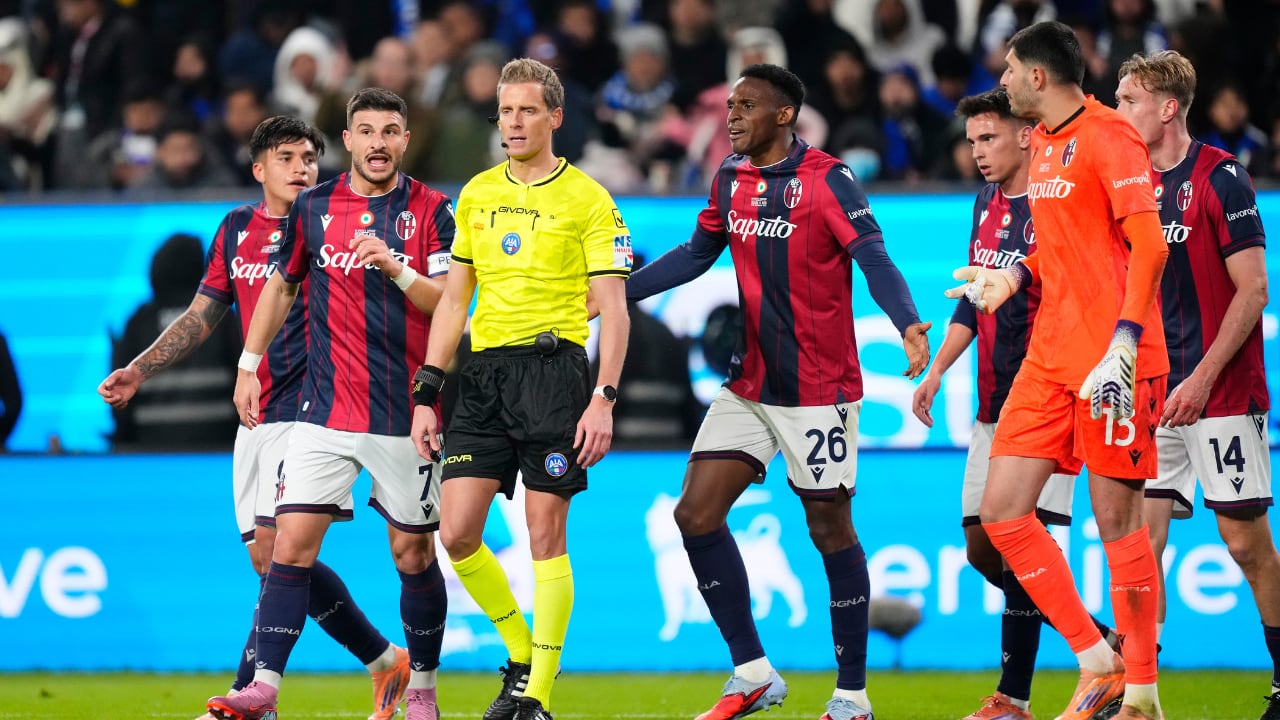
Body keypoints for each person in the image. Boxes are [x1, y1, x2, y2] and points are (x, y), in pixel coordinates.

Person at [626, 63, 932, 720]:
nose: (731, 116)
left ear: (784, 114)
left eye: (746, 106)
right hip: (750, 386)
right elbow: (694, 253)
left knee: (829, 530)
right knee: (694, 515)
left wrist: (907, 321)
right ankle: (753, 673)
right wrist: (617, 297)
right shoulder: (729, 179)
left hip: (819, 392)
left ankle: (852, 695)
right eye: (730, 104)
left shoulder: (828, 180)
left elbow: (873, 256)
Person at [97, 116, 413, 720]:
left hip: (319, 407)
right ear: (258, 169)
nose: (301, 168)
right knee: (269, 559)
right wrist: (139, 369)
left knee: (280, 545)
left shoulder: (333, 222)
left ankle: (251, 698)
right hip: (258, 410)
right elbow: (202, 314)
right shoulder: (236, 228)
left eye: (309, 157)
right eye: (287, 157)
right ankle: (381, 659)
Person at [206, 87, 455, 720]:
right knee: (288, 547)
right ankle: (263, 686)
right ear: (349, 140)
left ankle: (420, 688)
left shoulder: (432, 209)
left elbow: (450, 305)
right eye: (366, 131)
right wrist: (248, 365)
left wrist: (398, 269)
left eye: (390, 131)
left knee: (414, 555)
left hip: (405, 410)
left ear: (405, 139)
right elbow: (281, 288)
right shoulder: (313, 207)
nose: (378, 142)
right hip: (325, 411)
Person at [948, 20, 1169, 720]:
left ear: (1038, 76)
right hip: (1050, 355)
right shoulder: (1041, 143)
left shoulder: (1110, 137)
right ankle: (1096, 658)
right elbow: (1067, 244)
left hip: (1116, 357)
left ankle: (1140, 691)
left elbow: (1150, 245)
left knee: (1118, 523)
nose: (1003, 79)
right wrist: (1013, 276)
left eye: (1010, 69)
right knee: (1001, 511)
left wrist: (1127, 341)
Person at [409, 57, 630, 720]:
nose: (513, 121)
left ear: (555, 117)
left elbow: (614, 310)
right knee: (456, 533)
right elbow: (453, 303)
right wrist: (428, 389)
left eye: (527, 109)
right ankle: (520, 653)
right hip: (481, 378)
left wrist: (603, 397)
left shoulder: (589, 198)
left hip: (554, 375)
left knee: (544, 535)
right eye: (505, 110)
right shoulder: (474, 195)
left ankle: (537, 696)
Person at [913, 87, 1118, 720]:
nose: (977, 152)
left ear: (1026, 135)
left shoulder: (1057, 204)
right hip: (990, 404)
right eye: (972, 141)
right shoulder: (985, 204)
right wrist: (938, 370)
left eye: (989, 138)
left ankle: (1014, 698)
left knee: (1027, 548)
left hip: (1049, 399)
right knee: (981, 547)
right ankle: (1103, 642)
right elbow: (972, 298)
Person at [1115, 50, 1280, 720]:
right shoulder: (1127, 184)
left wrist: (1203, 377)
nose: (1120, 111)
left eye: (1128, 100)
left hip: (1221, 395)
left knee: (1245, 544)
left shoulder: (1222, 178)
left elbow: (1254, 291)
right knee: (1140, 540)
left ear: (1167, 106)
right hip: (1155, 392)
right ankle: (1140, 697)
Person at [106, 232, 241, 450]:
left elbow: (119, 400)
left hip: (148, 452)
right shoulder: (222, 317)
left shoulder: (139, 321)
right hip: (220, 449)